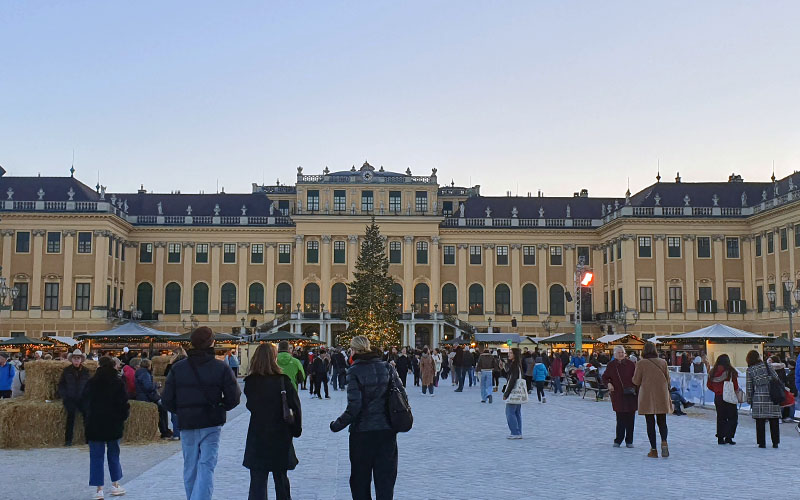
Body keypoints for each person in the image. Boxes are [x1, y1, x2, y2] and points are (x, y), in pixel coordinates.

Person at [161, 326, 242, 500]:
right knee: (206, 465)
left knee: (190, 466)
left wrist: (182, 410)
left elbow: (166, 400)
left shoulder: (178, 368)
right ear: (211, 342)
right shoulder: (220, 368)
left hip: (187, 423)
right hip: (211, 422)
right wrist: (220, 407)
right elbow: (234, 397)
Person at [330, 335, 402, 500]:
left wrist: (337, 425)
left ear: (354, 350)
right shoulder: (387, 367)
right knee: (385, 480)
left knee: (360, 480)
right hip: (386, 431)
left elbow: (354, 406)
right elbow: (401, 396)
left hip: (362, 433)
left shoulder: (355, 370)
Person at [243, 343, 302, 500]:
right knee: (281, 478)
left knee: (257, 480)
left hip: (258, 434)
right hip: (280, 433)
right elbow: (295, 406)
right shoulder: (283, 381)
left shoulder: (250, 382)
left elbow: (250, 406)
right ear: (274, 358)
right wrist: (296, 430)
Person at [83, 356, 129, 499]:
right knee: (113, 454)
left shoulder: (91, 382)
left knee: (96, 457)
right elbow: (124, 404)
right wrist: (122, 418)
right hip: (113, 423)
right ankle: (115, 484)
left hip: (95, 424)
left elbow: (84, 402)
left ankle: (99, 490)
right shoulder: (118, 382)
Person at [632, 342, 671, 458]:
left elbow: (636, 381)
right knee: (662, 421)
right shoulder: (663, 362)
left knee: (650, 423)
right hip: (661, 394)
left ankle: (653, 450)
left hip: (647, 395)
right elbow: (668, 379)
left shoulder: (641, 363)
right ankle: (664, 441)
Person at [602, 345, 638, 448]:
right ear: (615, 354)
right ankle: (618, 439)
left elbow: (637, 378)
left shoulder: (631, 364)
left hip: (631, 395)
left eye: (622, 352)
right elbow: (605, 377)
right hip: (618, 395)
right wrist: (608, 384)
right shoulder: (611, 365)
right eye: (619, 353)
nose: (621, 354)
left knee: (630, 419)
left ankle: (629, 440)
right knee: (620, 419)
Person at [745, 350, 781, 448]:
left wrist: (749, 399)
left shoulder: (750, 370)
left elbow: (749, 387)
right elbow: (776, 377)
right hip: (772, 395)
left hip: (759, 397)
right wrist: (768, 379)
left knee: (760, 421)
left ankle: (761, 443)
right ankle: (775, 442)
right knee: (774, 420)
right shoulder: (767, 365)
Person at [58, 349, 91, 446]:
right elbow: (61, 385)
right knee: (70, 417)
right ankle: (68, 440)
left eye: (78, 358)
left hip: (82, 398)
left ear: (81, 360)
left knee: (87, 417)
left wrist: (87, 395)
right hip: (70, 398)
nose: (76, 360)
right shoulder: (66, 371)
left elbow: (89, 384)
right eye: (75, 358)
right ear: (72, 360)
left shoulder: (86, 371)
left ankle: (88, 439)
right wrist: (65, 395)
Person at [707, 354, 739, 445]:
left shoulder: (712, 372)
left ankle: (720, 438)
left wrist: (717, 391)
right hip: (729, 396)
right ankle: (729, 437)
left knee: (721, 417)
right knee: (732, 417)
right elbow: (735, 385)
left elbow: (709, 385)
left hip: (718, 397)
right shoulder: (730, 372)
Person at [135, 358, 171, 439]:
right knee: (162, 409)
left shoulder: (140, 373)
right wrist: (156, 385)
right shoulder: (145, 374)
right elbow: (148, 387)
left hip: (144, 396)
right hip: (147, 397)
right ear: (149, 366)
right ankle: (164, 431)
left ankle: (165, 430)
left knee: (162, 409)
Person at [165, 348, 188, 441]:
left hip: (176, 390)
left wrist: (170, 363)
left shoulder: (176, 364)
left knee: (175, 414)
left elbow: (167, 374)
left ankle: (177, 434)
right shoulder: (188, 362)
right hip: (185, 391)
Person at [502, 347, 524, 439]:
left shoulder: (514, 365)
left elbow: (512, 380)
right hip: (519, 393)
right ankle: (518, 432)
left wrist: (506, 393)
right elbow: (507, 374)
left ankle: (515, 432)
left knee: (510, 412)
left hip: (514, 392)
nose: (509, 354)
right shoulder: (518, 365)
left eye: (511, 353)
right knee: (517, 412)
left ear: (515, 355)